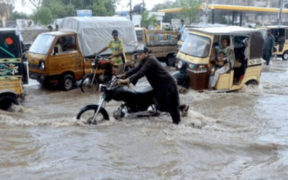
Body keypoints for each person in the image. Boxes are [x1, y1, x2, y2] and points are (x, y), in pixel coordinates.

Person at [117, 46, 189, 125]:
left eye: (140, 54)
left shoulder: (151, 60)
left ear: (146, 53)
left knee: (173, 111)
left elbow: (141, 73)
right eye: (137, 54)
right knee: (160, 106)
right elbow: (135, 70)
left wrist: (126, 81)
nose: (138, 56)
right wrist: (123, 75)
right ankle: (182, 107)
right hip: (160, 87)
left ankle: (178, 127)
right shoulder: (143, 60)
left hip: (168, 86)